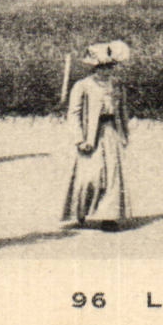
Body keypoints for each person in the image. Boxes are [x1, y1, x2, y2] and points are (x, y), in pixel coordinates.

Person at [62, 41, 132, 231]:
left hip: (111, 132)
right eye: (102, 67)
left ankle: (109, 217)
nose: (106, 71)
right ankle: (80, 211)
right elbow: (74, 114)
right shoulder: (82, 86)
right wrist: (79, 139)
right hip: (90, 135)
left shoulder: (117, 85)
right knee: (90, 175)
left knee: (112, 174)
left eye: (109, 67)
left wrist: (124, 133)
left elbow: (122, 110)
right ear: (94, 67)